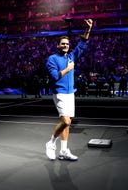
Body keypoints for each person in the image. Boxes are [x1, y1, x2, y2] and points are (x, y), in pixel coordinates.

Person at [45, 18, 93, 161]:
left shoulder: (71, 56)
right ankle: (51, 143)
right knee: (65, 121)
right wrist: (67, 69)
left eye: (67, 44)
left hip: (70, 93)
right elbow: (54, 77)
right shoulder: (52, 59)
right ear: (58, 46)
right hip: (59, 93)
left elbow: (82, 43)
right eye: (63, 44)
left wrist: (88, 28)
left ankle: (64, 151)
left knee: (68, 124)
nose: (65, 46)